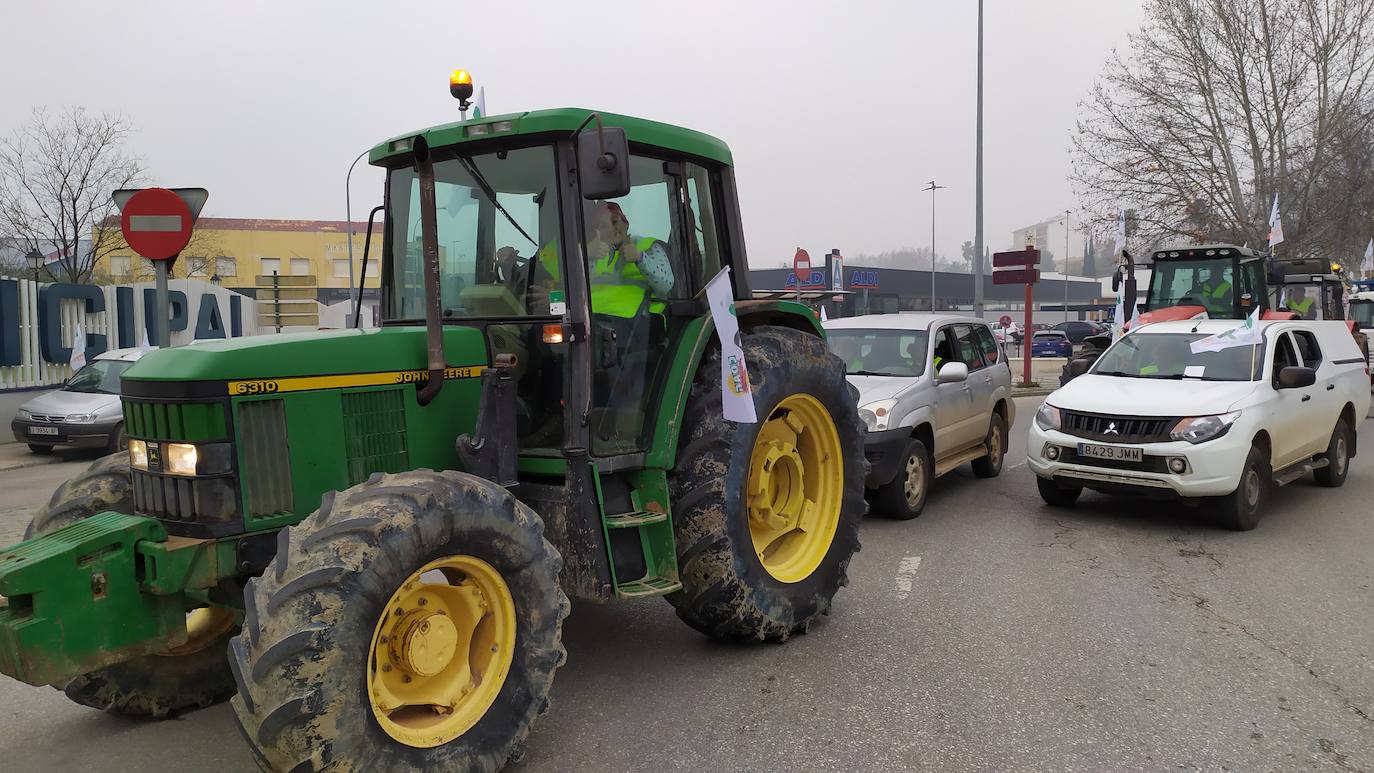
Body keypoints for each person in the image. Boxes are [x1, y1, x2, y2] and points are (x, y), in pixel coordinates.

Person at [585, 201, 675, 440]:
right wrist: (586, 256)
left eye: (616, 222)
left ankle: (621, 430)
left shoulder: (647, 246)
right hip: (597, 326)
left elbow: (666, 284)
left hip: (640, 328)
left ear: (625, 222)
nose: (612, 229)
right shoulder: (594, 253)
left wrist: (640, 258)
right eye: (604, 226)